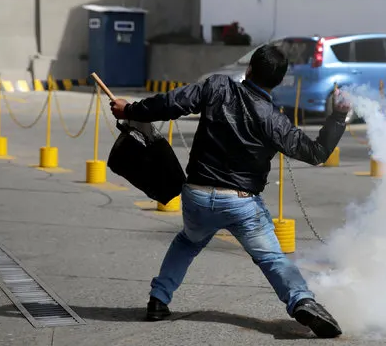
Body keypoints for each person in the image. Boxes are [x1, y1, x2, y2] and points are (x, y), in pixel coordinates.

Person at [109, 44, 350, 338]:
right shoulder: (274, 119)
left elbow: (172, 103)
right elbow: (316, 153)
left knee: (187, 242)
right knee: (272, 258)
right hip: (241, 203)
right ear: (278, 82)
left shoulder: (218, 87)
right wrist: (338, 116)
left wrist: (130, 109)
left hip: (196, 195)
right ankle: (302, 301)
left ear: (248, 69)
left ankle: (158, 300)